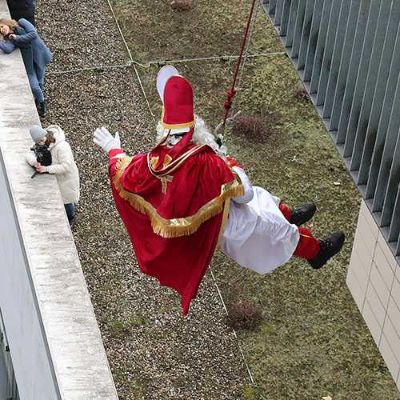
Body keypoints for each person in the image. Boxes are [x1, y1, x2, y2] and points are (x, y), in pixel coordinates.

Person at [93, 66, 345, 315]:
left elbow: (125, 174)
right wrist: (228, 161)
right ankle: (316, 252)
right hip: (232, 225)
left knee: (265, 200)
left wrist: (113, 149)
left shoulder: (154, 161)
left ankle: (289, 214)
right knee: (276, 229)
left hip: (220, 221)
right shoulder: (209, 164)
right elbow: (243, 192)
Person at [26, 125, 80, 227]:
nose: (41, 144)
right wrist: (34, 162)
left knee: (67, 201)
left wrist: (46, 169)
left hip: (66, 179)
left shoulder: (62, 147)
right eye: (38, 142)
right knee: (63, 199)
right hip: (58, 177)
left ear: (46, 135)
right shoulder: (43, 142)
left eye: (42, 140)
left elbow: (66, 167)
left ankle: (71, 217)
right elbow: (29, 153)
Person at [0, 18, 52, 117]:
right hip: (29, 62)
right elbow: (8, 49)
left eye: (2, 26)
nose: (2, 30)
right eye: (0, 30)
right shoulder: (9, 38)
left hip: (39, 56)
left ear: (6, 23)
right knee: (34, 86)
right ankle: (42, 103)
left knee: (40, 82)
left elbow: (33, 34)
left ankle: (39, 102)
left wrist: (17, 37)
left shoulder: (22, 22)